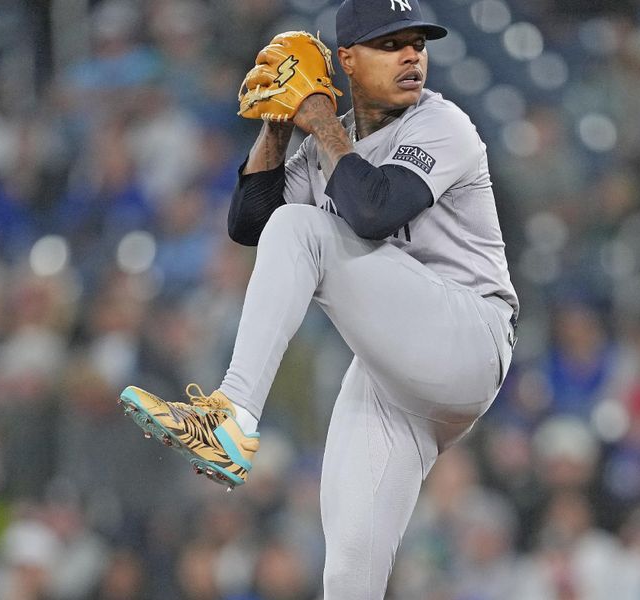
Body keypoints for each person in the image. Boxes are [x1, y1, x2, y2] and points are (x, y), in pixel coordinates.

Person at [119, 0, 519, 596]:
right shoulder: (322, 149)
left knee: (303, 228)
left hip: (469, 338)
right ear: (347, 61)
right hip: (393, 374)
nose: (412, 55)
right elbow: (249, 228)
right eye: (391, 44)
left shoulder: (442, 124)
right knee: (347, 572)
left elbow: (373, 210)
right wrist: (276, 129)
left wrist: (323, 121)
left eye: (418, 43)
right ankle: (232, 421)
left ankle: (232, 415)